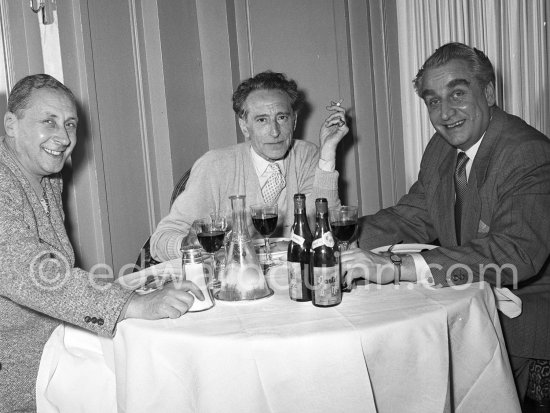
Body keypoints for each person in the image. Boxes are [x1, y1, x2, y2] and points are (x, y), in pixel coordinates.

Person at [341, 42, 550, 404]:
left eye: (457, 93)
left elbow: (516, 252)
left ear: (488, 92)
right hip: (467, 306)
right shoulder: (442, 147)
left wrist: (395, 266)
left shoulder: (527, 152)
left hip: (519, 320)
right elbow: (414, 215)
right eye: (433, 100)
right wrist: (338, 240)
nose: (445, 112)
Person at [0, 74, 205, 412]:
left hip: (59, 347)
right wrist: (128, 305)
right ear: (11, 124)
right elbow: (28, 270)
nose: (64, 137)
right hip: (18, 376)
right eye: (48, 121)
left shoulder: (47, 178)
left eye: (70, 124)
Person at [150, 71, 348, 261]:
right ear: (245, 126)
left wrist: (328, 153)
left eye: (282, 117)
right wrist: (188, 243)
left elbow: (327, 231)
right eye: (262, 120)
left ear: (294, 120)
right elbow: (159, 242)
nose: (275, 132)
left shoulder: (307, 156)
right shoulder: (215, 166)